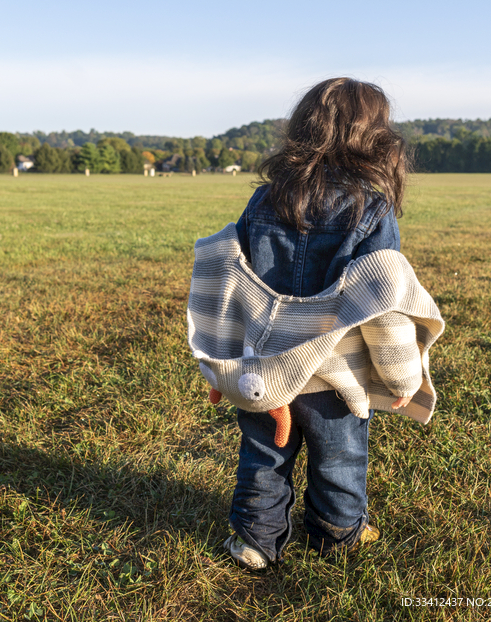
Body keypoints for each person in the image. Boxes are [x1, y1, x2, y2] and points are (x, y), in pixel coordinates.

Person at [186, 77, 444, 568]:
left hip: (264, 371)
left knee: (264, 458)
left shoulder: (263, 201)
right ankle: (336, 533)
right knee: (340, 459)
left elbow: (232, 283)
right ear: (374, 139)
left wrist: (223, 365)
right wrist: (402, 376)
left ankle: (253, 542)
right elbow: (382, 304)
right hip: (333, 378)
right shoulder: (371, 208)